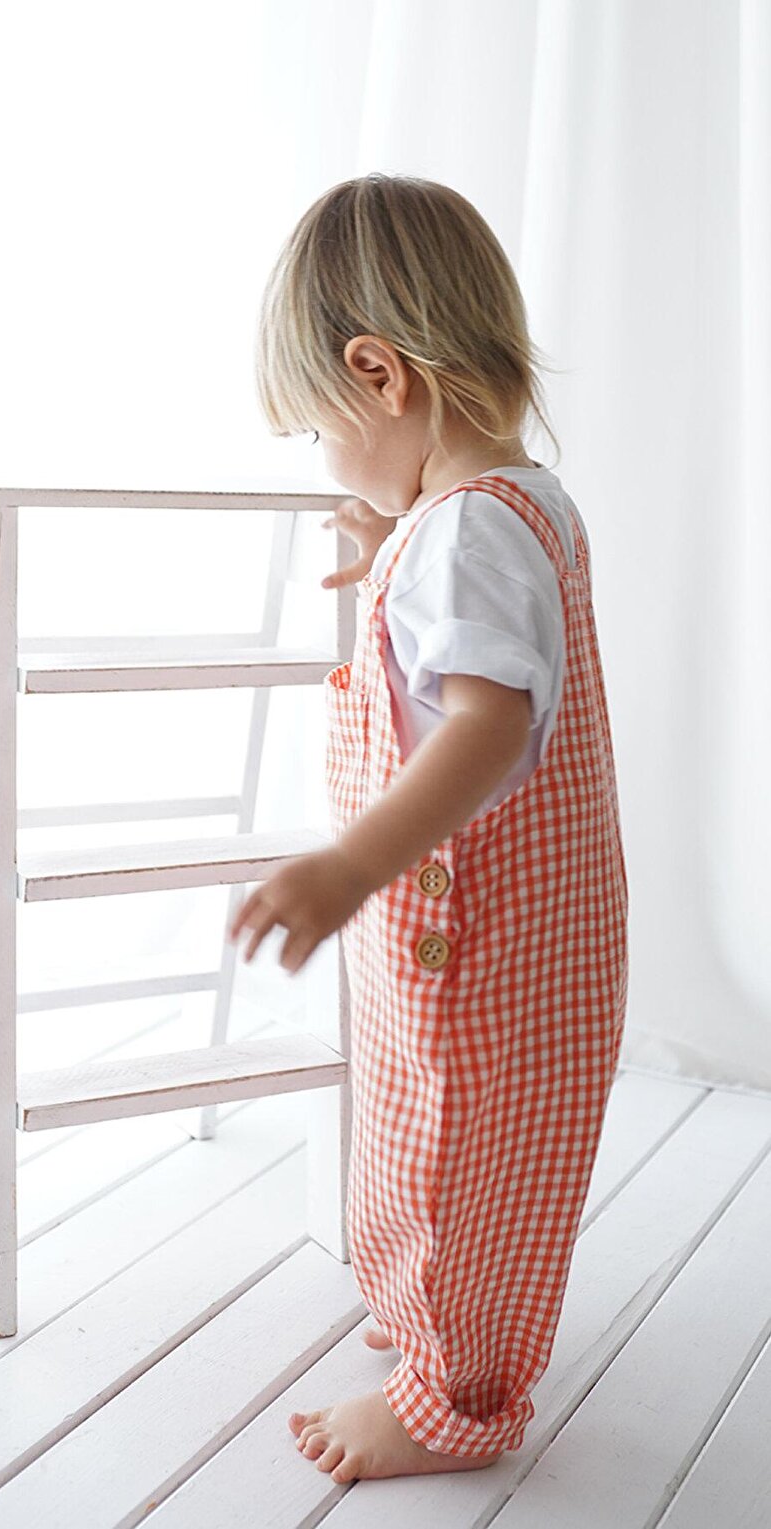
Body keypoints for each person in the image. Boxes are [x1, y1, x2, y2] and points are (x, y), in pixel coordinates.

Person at [226, 173, 629, 1483]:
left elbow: (488, 724)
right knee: (447, 1145)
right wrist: (388, 532)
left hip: (469, 930)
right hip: (509, 926)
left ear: (379, 375)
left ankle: (452, 1398)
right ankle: (427, 1324)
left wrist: (347, 864)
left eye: (315, 428)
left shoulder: (464, 539)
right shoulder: (509, 504)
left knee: (457, 1147)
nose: (319, 459)